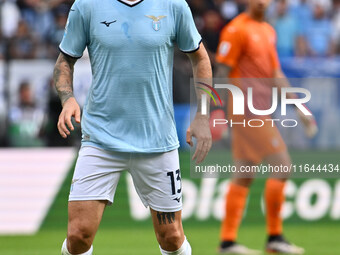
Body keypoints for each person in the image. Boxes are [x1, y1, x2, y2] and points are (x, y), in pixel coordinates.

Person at [53, 0, 212, 255]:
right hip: (100, 139)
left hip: (157, 141)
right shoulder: (87, 5)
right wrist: (68, 98)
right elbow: (64, 62)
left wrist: (203, 115)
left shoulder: (173, 5)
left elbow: (200, 58)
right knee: (78, 236)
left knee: (171, 237)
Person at [215, 0, 317, 254]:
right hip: (246, 111)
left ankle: (227, 241)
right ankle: (275, 236)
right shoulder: (236, 30)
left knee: (245, 173)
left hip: (260, 110)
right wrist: (216, 111)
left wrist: (299, 107)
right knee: (282, 166)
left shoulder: (267, 31)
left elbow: (275, 73)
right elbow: (221, 71)